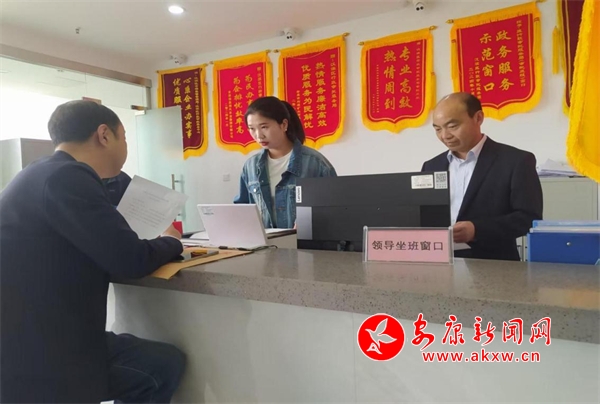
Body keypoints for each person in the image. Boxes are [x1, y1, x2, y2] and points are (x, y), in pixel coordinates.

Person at [0, 100, 186, 403]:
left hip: (29, 341)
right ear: (104, 135)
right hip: (44, 358)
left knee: (158, 360)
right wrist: (173, 241)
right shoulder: (68, 177)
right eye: (124, 137)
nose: (125, 147)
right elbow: (131, 260)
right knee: (161, 365)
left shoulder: (40, 172)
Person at [421, 92, 543, 261]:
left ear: (478, 118)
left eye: (452, 126)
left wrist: (476, 230)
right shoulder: (431, 166)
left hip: (493, 265)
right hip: (439, 262)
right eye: (437, 129)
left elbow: (528, 218)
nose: (445, 135)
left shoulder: (515, 161)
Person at [234, 96, 337, 228]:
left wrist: (310, 221)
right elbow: (242, 208)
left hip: (303, 241)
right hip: (265, 241)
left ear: (284, 125)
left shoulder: (316, 164)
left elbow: (335, 209)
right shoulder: (250, 167)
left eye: (264, 127)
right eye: (252, 128)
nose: (259, 135)